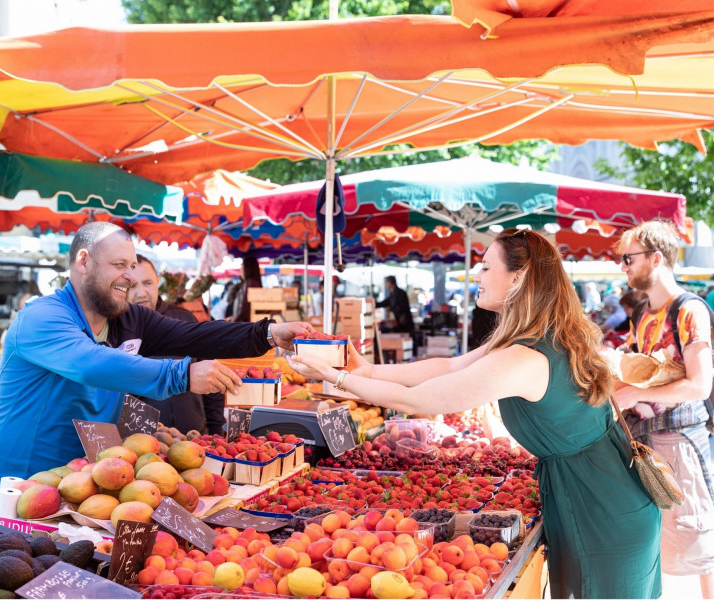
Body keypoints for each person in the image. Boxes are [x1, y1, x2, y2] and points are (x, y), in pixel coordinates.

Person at [289, 228, 661, 599]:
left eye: (485, 267)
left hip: (602, 505)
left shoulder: (523, 356)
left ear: (518, 277)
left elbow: (417, 402)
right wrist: (364, 370)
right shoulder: (533, 338)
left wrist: (334, 377)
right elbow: (449, 368)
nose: (476, 276)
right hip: (599, 491)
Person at [0, 222, 312, 505]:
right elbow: (91, 364)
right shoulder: (42, 317)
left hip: (83, 479)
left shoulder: (130, 319)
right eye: (119, 265)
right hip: (13, 483)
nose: (130, 277)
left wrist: (267, 333)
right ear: (83, 262)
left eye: (133, 266)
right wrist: (181, 374)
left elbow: (194, 336)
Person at [612, 220, 714, 598]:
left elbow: (700, 385)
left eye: (628, 258)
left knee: (699, 542)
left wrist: (631, 396)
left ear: (656, 258)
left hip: (679, 442)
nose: (623, 266)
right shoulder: (643, 313)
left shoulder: (689, 311)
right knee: (656, 540)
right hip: (648, 442)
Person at [128, 255, 223, 435]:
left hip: (194, 438)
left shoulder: (184, 319)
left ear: (158, 281)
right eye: (132, 285)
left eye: (147, 283)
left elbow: (213, 380)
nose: (141, 292)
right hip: (141, 446)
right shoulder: (116, 329)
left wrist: (216, 429)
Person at [232, 256, 263, 322]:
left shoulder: (251, 283)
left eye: (242, 266)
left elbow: (245, 308)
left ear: (248, 268)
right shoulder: (250, 283)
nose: (240, 270)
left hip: (246, 325)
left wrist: (234, 323)